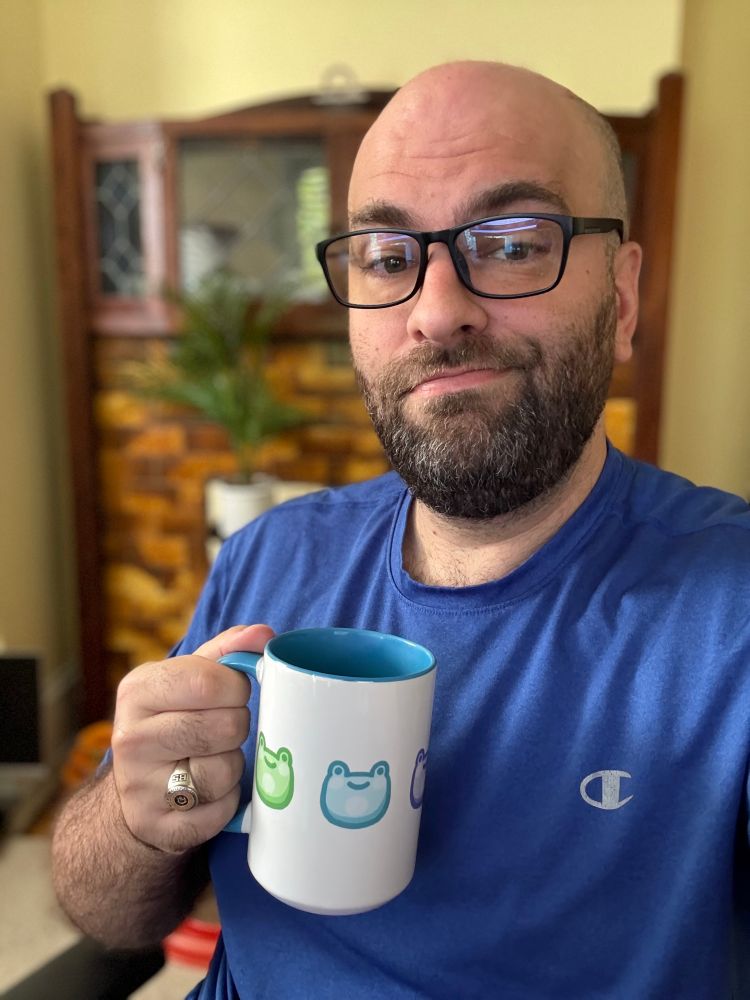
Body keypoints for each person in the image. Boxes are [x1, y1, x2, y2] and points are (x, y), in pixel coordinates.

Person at [52, 61, 750, 999]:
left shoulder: (729, 613)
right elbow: (108, 914)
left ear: (622, 300)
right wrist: (139, 818)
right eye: (387, 258)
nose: (437, 311)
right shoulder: (269, 557)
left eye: (512, 243)